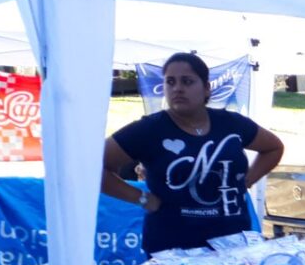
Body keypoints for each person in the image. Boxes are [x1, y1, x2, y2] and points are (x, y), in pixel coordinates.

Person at [101, 52, 284, 253]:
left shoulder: (231, 124)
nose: (178, 88)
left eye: (187, 81)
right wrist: (141, 198)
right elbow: (94, 167)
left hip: (233, 243)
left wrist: (246, 181)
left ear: (206, 88)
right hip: (173, 248)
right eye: (170, 82)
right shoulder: (148, 130)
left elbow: (273, 148)